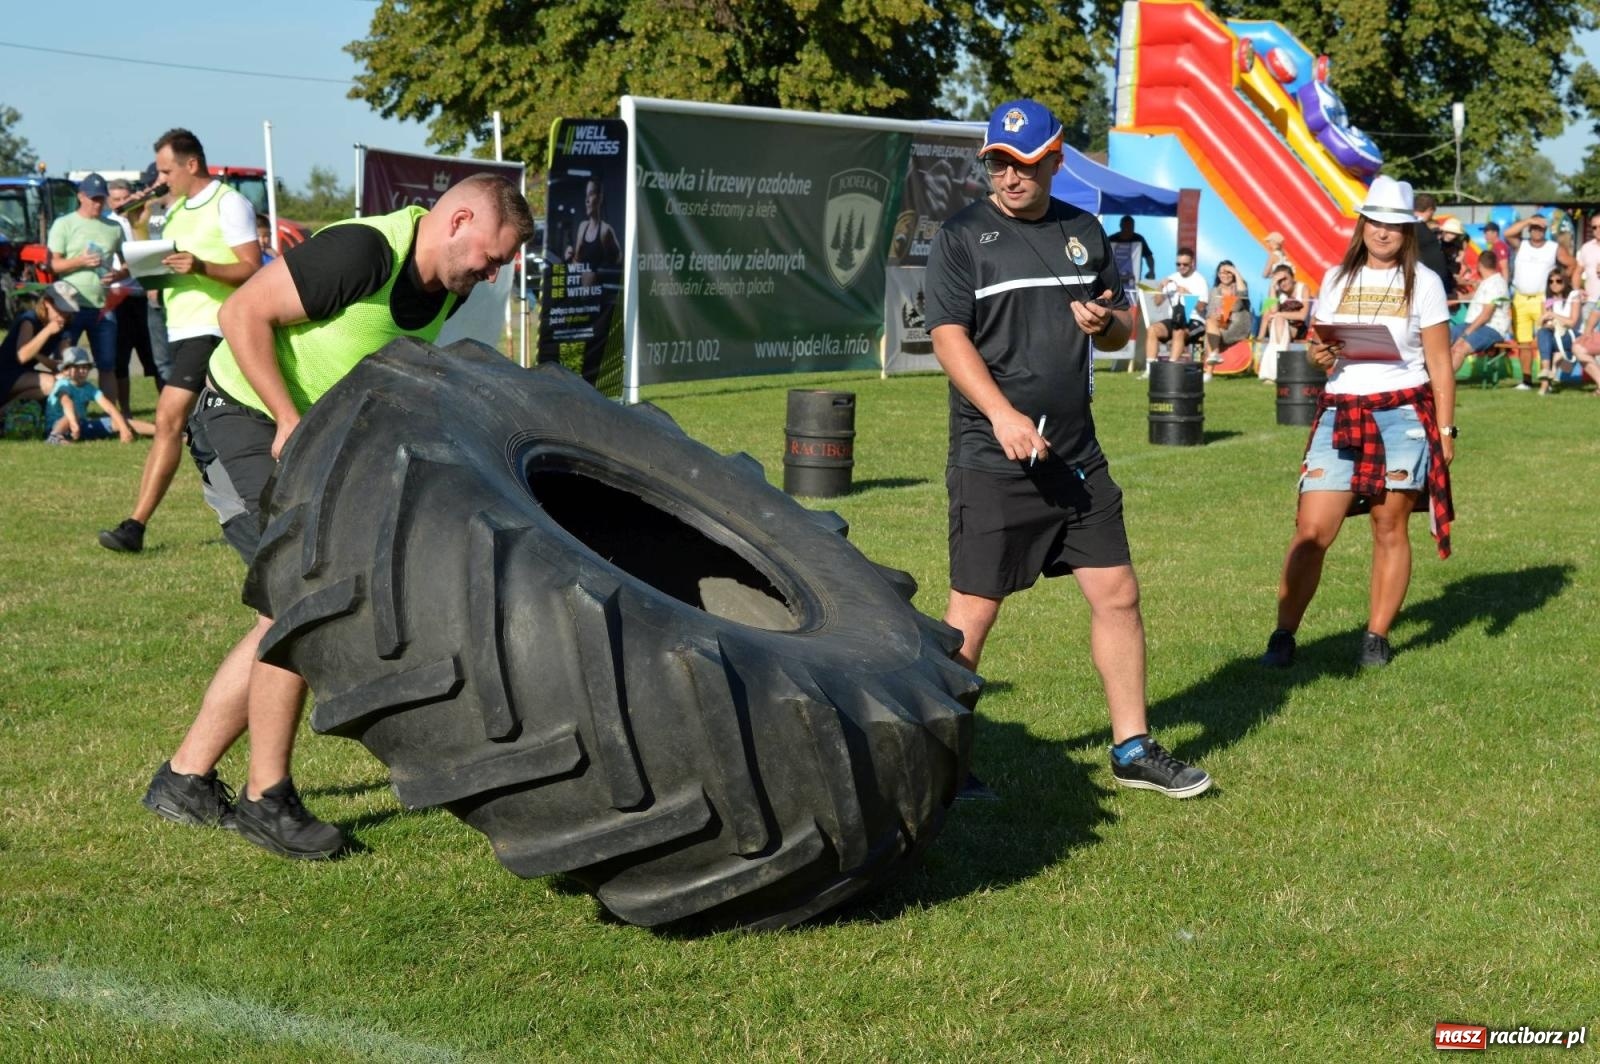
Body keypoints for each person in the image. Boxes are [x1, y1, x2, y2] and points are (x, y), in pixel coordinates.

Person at [140, 173, 535, 859]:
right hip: (243, 420)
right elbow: (241, 316)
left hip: (313, 446)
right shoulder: (363, 252)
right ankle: (268, 798)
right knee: (301, 599)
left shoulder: (441, 288)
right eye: (492, 256)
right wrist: (287, 415)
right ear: (460, 218)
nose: (492, 272)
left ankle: (184, 778)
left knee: (293, 604)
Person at [924, 99, 1211, 800]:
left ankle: (1132, 747)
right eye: (997, 162)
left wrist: (1104, 321)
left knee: (1117, 592)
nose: (1009, 176)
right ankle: (938, 761)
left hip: (1076, 452)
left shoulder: (1083, 231)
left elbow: (1119, 332)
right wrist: (1000, 415)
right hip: (994, 455)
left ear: (1053, 159)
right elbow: (948, 337)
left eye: (1022, 163)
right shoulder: (961, 236)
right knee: (973, 610)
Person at [1260, 176, 1455, 670]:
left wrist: (1447, 431)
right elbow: (1318, 347)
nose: (1383, 232)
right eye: (1375, 221)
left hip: (1403, 414)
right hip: (1341, 411)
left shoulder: (1425, 283)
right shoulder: (1335, 279)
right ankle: (1283, 634)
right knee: (1312, 530)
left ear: (1407, 229)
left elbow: (1439, 363)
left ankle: (1376, 636)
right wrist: (1321, 352)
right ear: (1362, 224)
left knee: (1389, 526)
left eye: (1393, 224)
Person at [99, 129, 262, 554]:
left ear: (191, 164)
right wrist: (133, 251)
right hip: (180, 330)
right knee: (213, 428)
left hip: (215, 329)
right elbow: (160, 271)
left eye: (167, 170)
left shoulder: (229, 203)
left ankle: (134, 526)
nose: (161, 178)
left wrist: (202, 266)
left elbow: (251, 268)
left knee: (169, 419)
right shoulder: (173, 212)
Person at [46, 173, 125, 413]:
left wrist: (118, 275)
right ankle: (60, 412)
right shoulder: (64, 224)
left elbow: (128, 263)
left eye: (101, 199)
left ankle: (112, 417)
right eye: (93, 198)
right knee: (65, 362)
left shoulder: (114, 227)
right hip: (70, 306)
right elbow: (53, 265)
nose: (97, 203)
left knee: (107, 364)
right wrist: (80, 261)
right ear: (80, 196)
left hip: (103, 307)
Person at [105, 178, 162, 416]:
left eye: (124, 198)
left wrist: (130, 269)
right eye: (116, 199)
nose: (120, 203)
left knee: (156, 359)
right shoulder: (107, 224)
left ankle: (168, 411)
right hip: (117, 298)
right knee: (121, 359)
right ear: (109, 200)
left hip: (142, 294)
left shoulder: (142, 219)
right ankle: (125, 412)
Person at [1505, 215, 1575, 389]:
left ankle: (1547, 380)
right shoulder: (1521, 244)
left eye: (1540, 228)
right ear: (1529, 229)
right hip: (1520, 298)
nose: (1537, 230)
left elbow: (1572, 265)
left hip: (1543, 299)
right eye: (1534, 227)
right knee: (1523, 342)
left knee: (1547, 338)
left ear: (1546, 230)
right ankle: (1526, 380)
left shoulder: (1553, 248)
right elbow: (1507, 233)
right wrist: (1529, 220)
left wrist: (1563, 286)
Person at [44, 347, 153, 443]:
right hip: (57, 426)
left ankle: (159, 432)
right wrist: (73, 423)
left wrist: (123, 427)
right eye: (77, 367)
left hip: (81, 425)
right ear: (66, 370)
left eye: (85, 367)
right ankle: (55, 437)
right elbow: (66, 402)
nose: (82, 371)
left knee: (118, 421)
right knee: (74, 414)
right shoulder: (63, 384)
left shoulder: (88, 387)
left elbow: (109, 407)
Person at [1, 284, 70, 405]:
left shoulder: (65, 324)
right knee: (50, 383)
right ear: (47, 303)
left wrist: (38, 356)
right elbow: (22, 357)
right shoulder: (30, 320)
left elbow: (64, 364)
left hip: (25, 374)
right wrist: (47, 330)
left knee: (66, 383)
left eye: (68, 310)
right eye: (60, 309)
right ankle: (4, 412)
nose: (63, 315)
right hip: (5, 372)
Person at [1143, 247, 1208, 365]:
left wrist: (1188, 295)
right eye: (1178, 264)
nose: (1181, 267)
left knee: (1178, 331)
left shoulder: (1199, 280)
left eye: (1185, 264)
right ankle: (1150, 368)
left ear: (1192, 263)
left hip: (1195, 320)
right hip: (1175, 318)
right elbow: (1157, 303)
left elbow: (1202, 308)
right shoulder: (1172, 278)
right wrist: (1160, 287)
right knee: (1152, 330)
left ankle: (1171, 368)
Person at [1447, 249, 1509, 372]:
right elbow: (1474, 297)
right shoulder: (1487, 282)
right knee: (1443, 340)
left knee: (1460, 348)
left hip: (1491, 328)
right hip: (1474, 324)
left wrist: (1465, 334)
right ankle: (1429, 379)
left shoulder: (1496, 284)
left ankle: (1441, 384)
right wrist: (1456, 300)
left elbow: (1486, 315)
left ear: (1479, 265)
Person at [1255, 264, 1309, 383]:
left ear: (1292, 277)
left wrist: (1280, 315)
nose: (1283, 283)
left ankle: (1271, 373)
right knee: (1277, 320)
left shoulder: (1303, 288)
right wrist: (1272, 287)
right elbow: (1272, 310)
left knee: (1278, 319)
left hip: (1297, 327)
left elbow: (1302, 315)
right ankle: (1278, 370)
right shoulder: (1277, 291)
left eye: (1285, 279)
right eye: (1279, 281)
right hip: (1279, 327)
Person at [1536, 267, 1583, 394]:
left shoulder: (1574, 295)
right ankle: (1546, 373)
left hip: (1572, 335)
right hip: (1555, 334)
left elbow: (1572, 322)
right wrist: (1546, 321)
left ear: (1565, 281)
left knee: (1551, 340)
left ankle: (1546, 381)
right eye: (1550, 281)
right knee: (1542, 333)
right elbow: (1543, 322)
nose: (1554, 284)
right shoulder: (1546, 299)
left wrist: (1554, 316)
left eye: (1558, 281)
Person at [1202, 259, 1251, 374]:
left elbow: (1242, 294)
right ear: (1218, 275)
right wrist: (1217, 315)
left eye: (1228, 272)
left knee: (1211, 335)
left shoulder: (1240, 285)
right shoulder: (1214, 291)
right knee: (1210, 322)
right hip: (1220, 323)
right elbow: (1210, 313)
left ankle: (1209, 372)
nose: (1225, 275)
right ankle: (1214, 355)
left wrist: (1234, 271)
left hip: (1237, 324)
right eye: (1222, 273)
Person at [1571, 213, 1600, 335]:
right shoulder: (1586, 247)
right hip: (1590, 302)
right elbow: (1577, 272)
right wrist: (1578, 291)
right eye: (1594, 227)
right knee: (1585, 340)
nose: (1598, 230)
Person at [1107, 214, 1156, 281]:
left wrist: (1151, 270)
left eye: (1131, 227)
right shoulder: (1111, 240)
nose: (1128, 229)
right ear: (1121, 226)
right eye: (1126, 226)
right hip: (1113, 278)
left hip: (1133, 279)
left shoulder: (1139, 239)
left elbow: (1149, 256)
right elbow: (1102, 257)